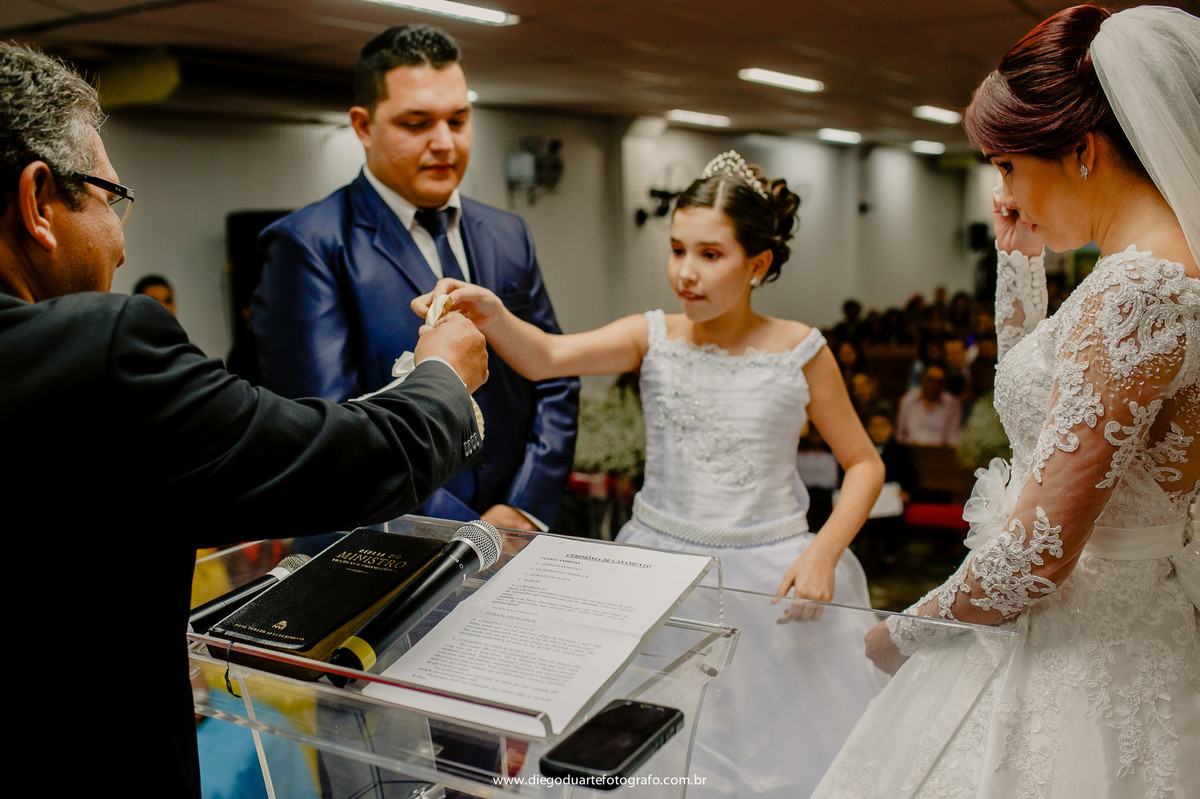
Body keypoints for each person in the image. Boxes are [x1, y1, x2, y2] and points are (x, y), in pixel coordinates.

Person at [0, 42, 489, 798]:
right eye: (110, 199)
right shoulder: (101, 350)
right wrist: (445, 377)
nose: (124, 245)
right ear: (38, 202)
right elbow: (331, 454)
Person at [415, 151, 887, 797]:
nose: (685, 273)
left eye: (710, 255)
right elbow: (546, 357)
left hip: (772, 577)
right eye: (676, 249)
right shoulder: (652, 335)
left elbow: (864, 462)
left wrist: (824, 552)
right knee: (635, 750)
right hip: (657, 566)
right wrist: (491, 311)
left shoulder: (801, 349)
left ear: (758, 263)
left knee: (777, 755)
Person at [815, 6, 1200, 797]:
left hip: (1084, 633)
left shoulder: (1133, 288)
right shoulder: (1149, 269)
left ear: (1083, 152)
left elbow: (1045, 550)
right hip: (1128, 606)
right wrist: (1019, 256)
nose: (1003, 190)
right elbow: (1040, 389)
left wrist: (908, 628)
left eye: (1008, 166)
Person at [251, 24, 577, 533]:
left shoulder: (509, 232)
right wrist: (469, 531)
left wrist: (525, 507)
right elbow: (326, 432)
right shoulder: (309, 243)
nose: (444, 143)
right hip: (393, 541)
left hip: (521, 531)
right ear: (363, 126)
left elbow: (555, 374)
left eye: (459, 120)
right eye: (417, 122)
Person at [895, 362, 963, 445]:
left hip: (940, 452)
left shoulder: (952, 404)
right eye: (930, 380)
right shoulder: (908, 400)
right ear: (922, 379)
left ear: (944, 384)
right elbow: (900, 434)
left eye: (939, 382)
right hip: (910, 451)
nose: (934, 385)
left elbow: (953, 437)